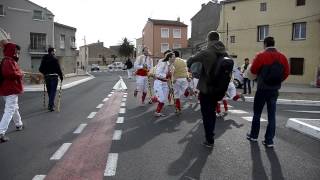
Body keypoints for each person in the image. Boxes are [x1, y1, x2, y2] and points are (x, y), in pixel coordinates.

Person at [246, 36, 289, 148]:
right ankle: (269, 140)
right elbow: (286, 73)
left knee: (257, 113)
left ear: (265, 44)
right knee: (272, 115)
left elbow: (253, 70)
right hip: (274, 90)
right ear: (274, 44)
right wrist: (277, 82)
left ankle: (254, 136)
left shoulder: (261, 56)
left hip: (262, 89)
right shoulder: (282, 57)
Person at [187, 31, 227, 148]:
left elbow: (190, 61)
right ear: (218, 39)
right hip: (219, 88)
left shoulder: (206, 52)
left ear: (208, 39)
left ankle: (209, 139)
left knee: (206, 114)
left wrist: (199, 66)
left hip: (206, 88)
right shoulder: (224, 52)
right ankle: (211, 134)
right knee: (213, 112)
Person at [0, 42, 24, 143]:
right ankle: (1, 132)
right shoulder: (8, 61)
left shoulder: (7, 60)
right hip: (11, 89)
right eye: (16, 53)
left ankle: (19, 124)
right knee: (10, 109)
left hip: (7, 89)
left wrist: (18, 73)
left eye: (18, 53)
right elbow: (9, 73)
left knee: (14, 107)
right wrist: (20, 74)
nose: (17, 55)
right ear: (12, 51)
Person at [39, 47, 63, 112]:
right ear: (52, 51)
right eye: (54, 51)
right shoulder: (55, 59)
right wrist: (61, 76)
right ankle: (51, 105)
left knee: (50, 91)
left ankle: (51, 104)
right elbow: (58, 69)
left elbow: (40, 69)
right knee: (53, 91)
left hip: (47, 77)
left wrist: (45, 73)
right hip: (54, 77)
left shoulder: (44, 59)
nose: (55, 53)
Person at [153, 52, 174, 117]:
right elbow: (157, 74)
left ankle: (157, 112)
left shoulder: (172, 66)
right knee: (161, 98)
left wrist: (170, 86)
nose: (175, 58)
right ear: (170, 58)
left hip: (165, 83)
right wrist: (166, 75)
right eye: (173, 57)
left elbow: (170, 77)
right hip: (159, 82)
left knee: (164, 99)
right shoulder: (163, 63)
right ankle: (154, 98)